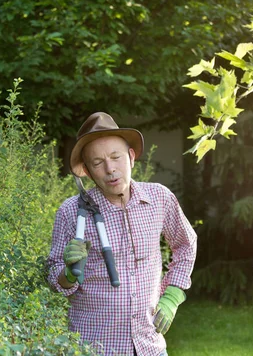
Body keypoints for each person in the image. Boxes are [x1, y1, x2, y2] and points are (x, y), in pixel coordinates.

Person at [47, 112, 197, 356]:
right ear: (87, 170)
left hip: (150, 346)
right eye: (97, 163)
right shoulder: (72, 212)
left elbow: (186, 244)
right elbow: (55, 279)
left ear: (130, 157)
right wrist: (68, 273)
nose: (110, 169)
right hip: (94, 348)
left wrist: (173, 294)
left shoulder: (159, 198)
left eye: (116, 157)